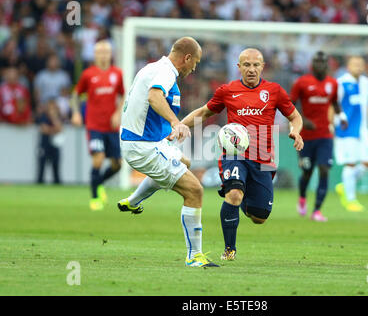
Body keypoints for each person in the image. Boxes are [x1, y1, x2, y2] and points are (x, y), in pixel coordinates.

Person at [181, 48, 304, 261]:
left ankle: (245, 197)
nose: (251, 69)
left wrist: (296, 131)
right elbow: (203, 112)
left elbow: (295, 116)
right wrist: (179, 125)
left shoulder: (274, 91)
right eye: (246, 65)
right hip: (234, 154)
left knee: (259, 217)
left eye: (256, 65)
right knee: (234, 194)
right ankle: (229, 249)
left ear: (262, 67)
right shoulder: (227, 91)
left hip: (263, 159)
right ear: (239, 67)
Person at [117, 36, 219, 268]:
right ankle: (194, 257)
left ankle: (133, 201)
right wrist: (176, 123)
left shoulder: (154, 67)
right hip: (142, 146)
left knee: (184, 162)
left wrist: (166, 132)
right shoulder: (166, 72)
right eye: (196, 62)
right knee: (195, 191)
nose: (195, 68)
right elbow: (154, 96)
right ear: (187, 57)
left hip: (149, 141)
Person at [290, 51, 348, 222]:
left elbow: (335, 103)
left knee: (324, 170)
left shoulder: (333, 83)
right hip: (306, 136)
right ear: (312, 65)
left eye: (323, 62)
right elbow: (289, 106)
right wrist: (303, 120)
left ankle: (316, 210)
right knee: (307, 172)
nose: (320, 65)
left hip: (325, 135)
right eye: (317, 62)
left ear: (327, 65)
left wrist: (342, 117)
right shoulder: (302, 83)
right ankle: (302, 197)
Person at [70, 40, 124, 211]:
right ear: (95, 55)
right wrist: (76, 113)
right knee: (98, 158)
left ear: (110, 54)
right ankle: (95, 198)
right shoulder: (88, 74)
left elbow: (123, 95)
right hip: (94, 125)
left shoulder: (117, 73)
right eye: (100, 52)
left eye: (106, 51)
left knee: (117, 165)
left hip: (112, 126)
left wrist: (117, 113)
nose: (103, 55)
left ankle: (98, 183)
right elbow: (75, 95)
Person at [334, 56, 368, 212]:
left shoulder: (366, 83)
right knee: (350, 163)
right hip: (346, 130)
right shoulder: (341, 83)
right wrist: (332, 124)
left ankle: (345, 185)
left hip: (363, 130)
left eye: (361, 65)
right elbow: (333, 104)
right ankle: (351, 200)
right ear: (348, 66)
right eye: (355, 64)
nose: (358, 67)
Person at [36, 98, 63, 185]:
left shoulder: (57, 116)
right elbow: (43, 129)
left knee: (56, 164)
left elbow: (60, 128)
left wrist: (53, 118)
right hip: (44, 144)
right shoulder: (43, 116)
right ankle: (40, 182)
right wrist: (54, 130)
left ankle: (57, 182)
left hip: (55, 145)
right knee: (42, 164)